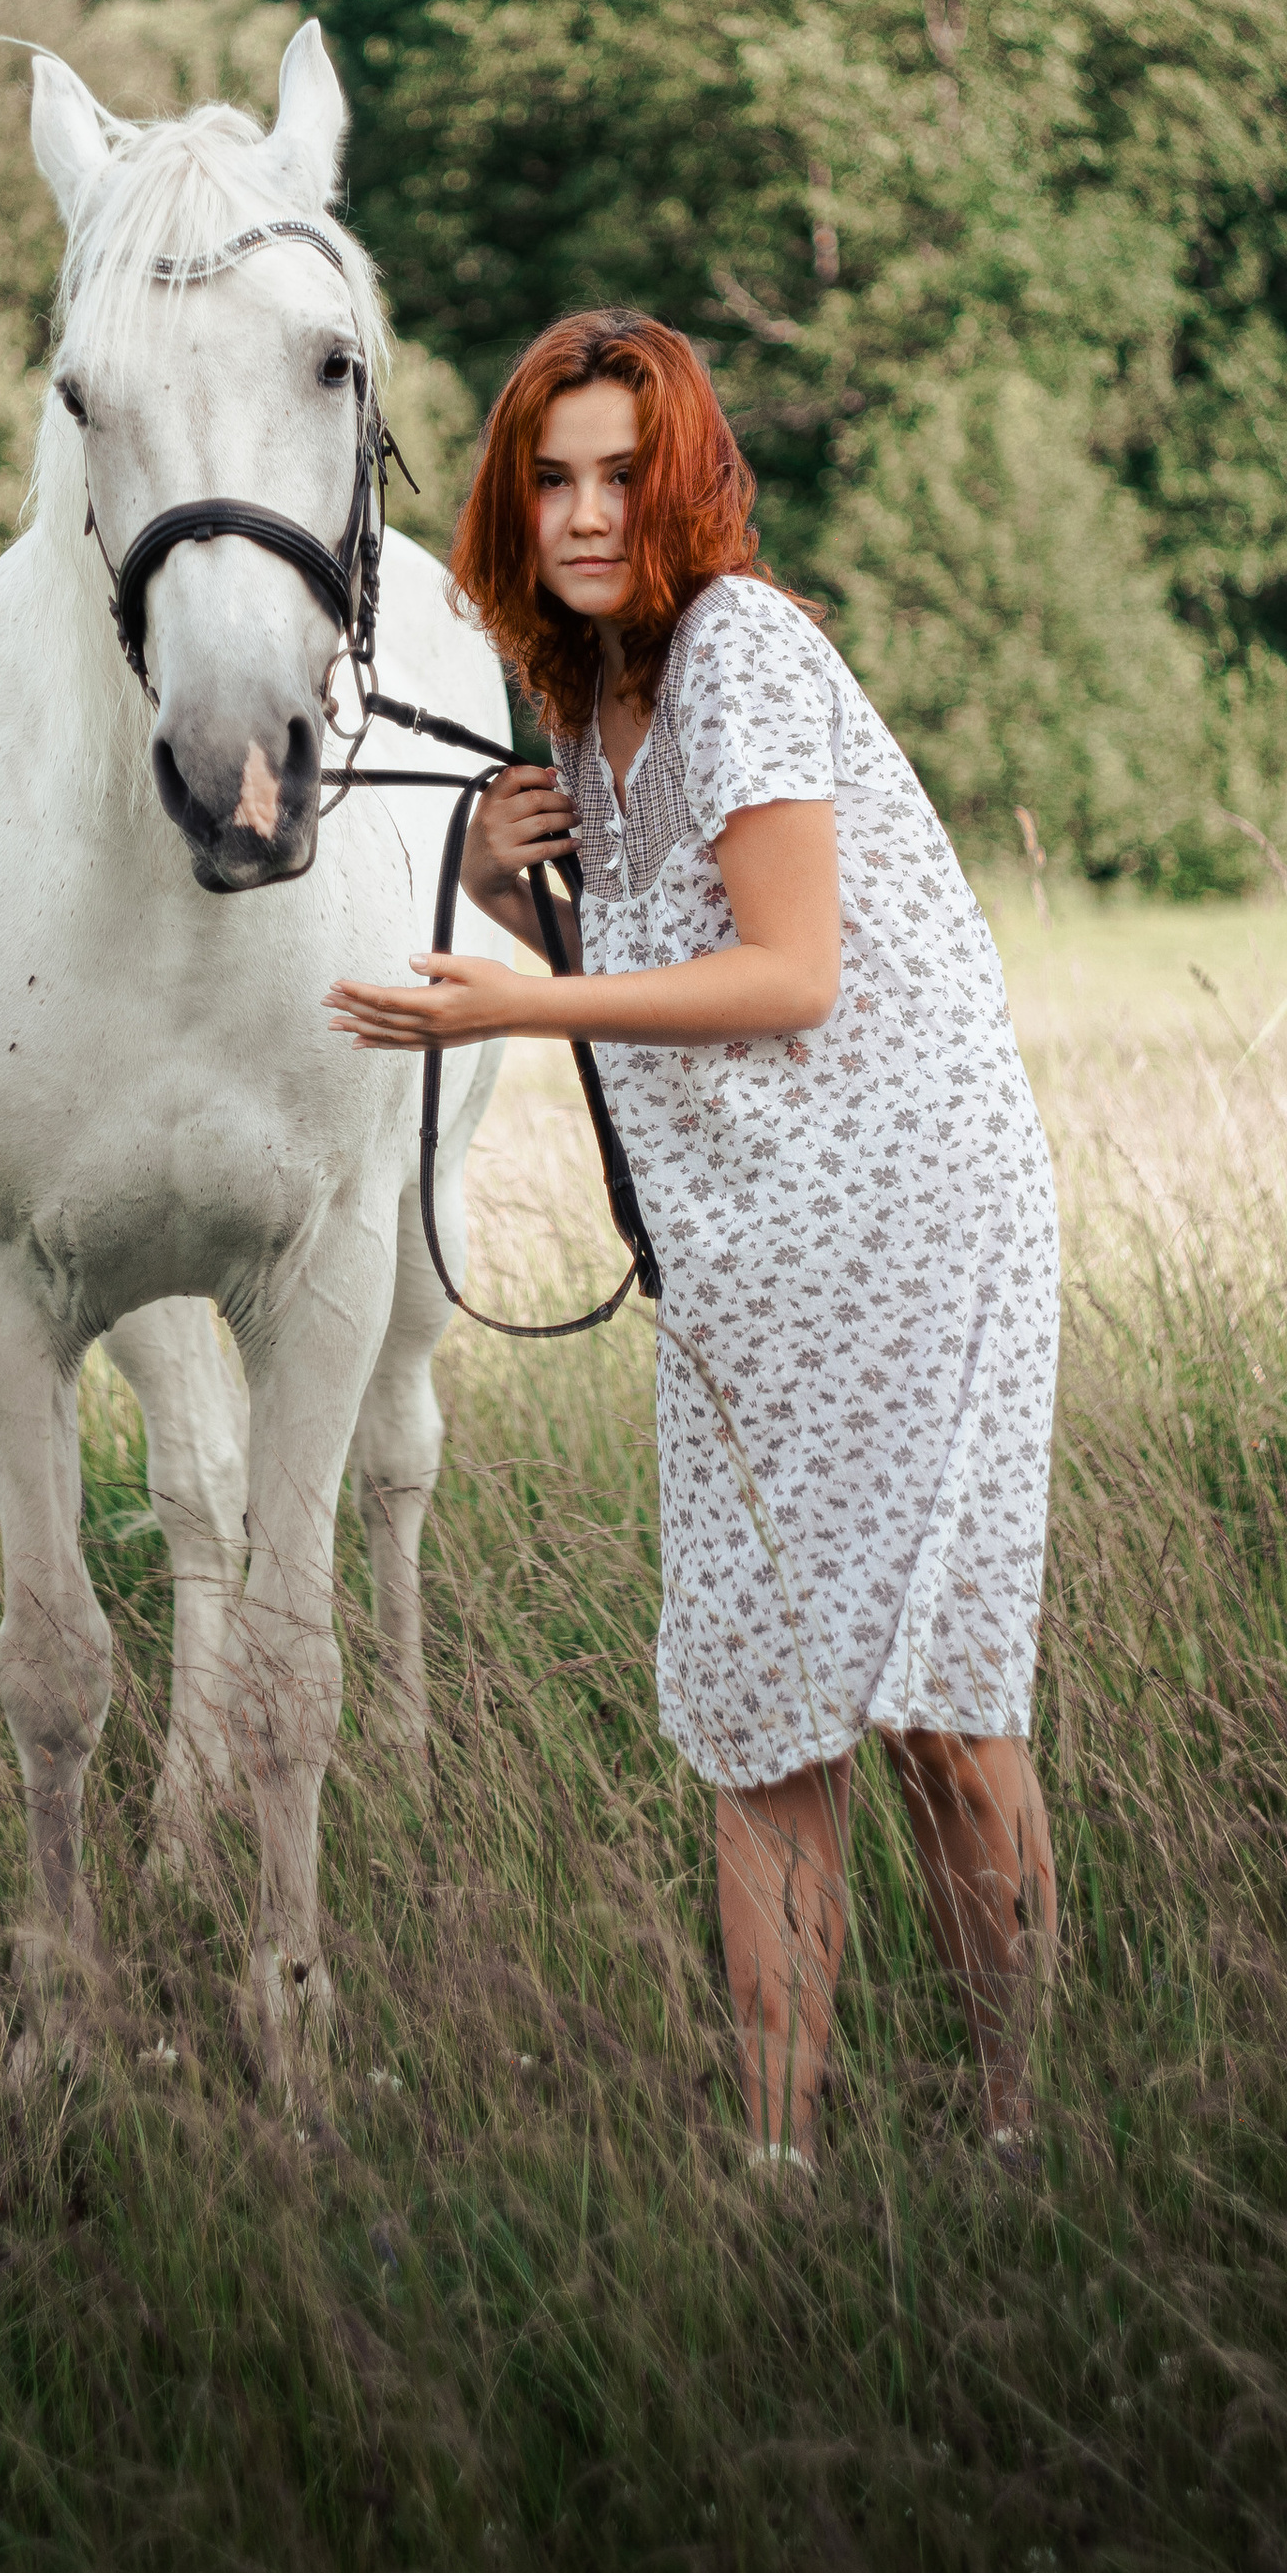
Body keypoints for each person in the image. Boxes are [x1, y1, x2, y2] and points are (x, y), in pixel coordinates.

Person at [326, 311, 1061, 2173]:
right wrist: (519, 896)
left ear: (684, 483)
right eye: (551, 478)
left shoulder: (742, 649)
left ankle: (1011, 2135)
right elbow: (660, 989)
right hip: (745, 1263)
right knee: (759, 1714)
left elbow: (789, 975)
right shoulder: (575, 702)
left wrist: (505, 1006)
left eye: (619, 476)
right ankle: (775, 2166)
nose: (583, 514)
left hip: (908, 1222)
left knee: (936, 1713)